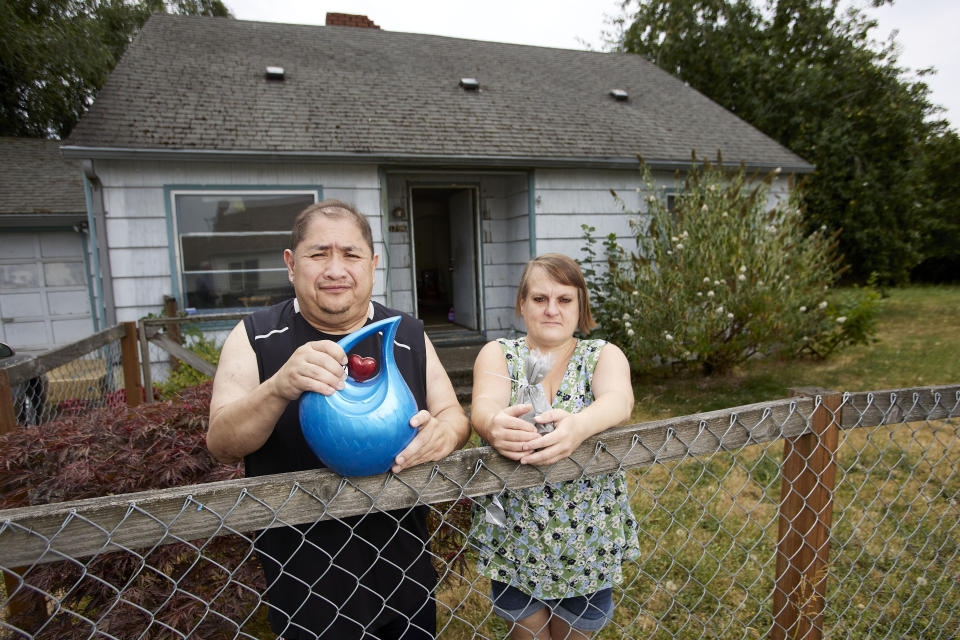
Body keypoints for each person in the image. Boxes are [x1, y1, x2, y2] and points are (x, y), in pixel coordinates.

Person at [207, 200, 469, 640]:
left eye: (350, 254)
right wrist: (279, 387)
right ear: (291, 265)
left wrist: (444, 433)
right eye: (318, 254)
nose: (335, 269)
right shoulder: (256, 335)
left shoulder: (405, 333)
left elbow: (454, 418)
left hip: (403, 575)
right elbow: (222, 441)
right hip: (304, 584)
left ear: (372, 263)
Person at [469, 253, 639, 640]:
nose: (551, 310)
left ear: (580, 307)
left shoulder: (602, 355)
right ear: (522, 304)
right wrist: (493, 425)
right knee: (526, 631)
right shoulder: (498, 354)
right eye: (540, 299)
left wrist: (578, 426)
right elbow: (483, 407)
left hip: (588, 534)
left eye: (564, 300)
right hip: (515, 535)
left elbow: (619, 401)